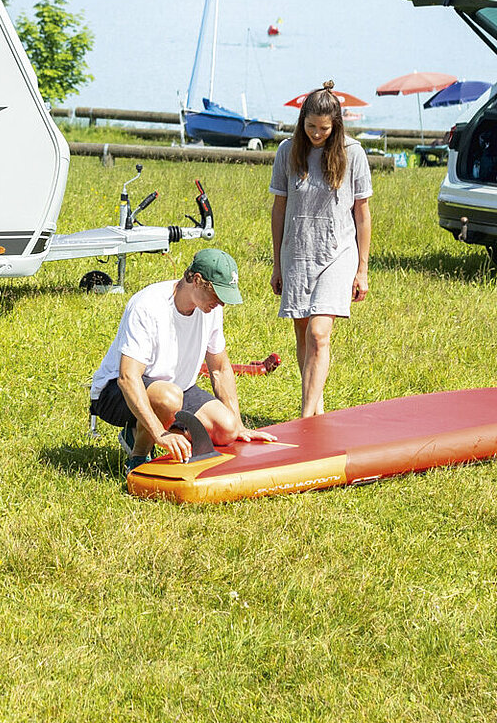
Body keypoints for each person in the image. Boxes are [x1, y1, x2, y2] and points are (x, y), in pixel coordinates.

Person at [88, 250, 277, 464]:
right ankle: (138, 456)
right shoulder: (148, 306)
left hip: (177, 390)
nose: (221, 303)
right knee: (168, 398)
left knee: (227, 429)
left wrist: (239, 424)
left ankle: (144, 430)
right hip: (116, 393)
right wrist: (159, 433)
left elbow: (220, 369)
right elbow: (127, 378)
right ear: (196, 280)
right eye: (217, 295)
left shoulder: (211, 309)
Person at [271, 81, 372, 419]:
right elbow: (279, 208)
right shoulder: (288, 151)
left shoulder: (352, 152)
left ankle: (305, 415)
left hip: (338, 250)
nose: (316, 134)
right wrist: (277, 264)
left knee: (319, 332)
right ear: (302, 122)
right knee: (303, 334)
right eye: (311, 127)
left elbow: (361, 212)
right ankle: (316, 408)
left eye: (324, 129)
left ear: (336, 125)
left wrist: (362, 269)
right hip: (297, 249)